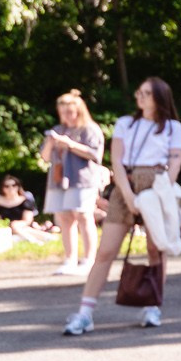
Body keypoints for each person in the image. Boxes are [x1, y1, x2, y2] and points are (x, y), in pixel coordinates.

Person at [63, 78, 181, 334]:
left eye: (147, 93)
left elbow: (175, 163)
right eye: (140, 92)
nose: (140, 96)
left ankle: (153, 305)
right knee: (105, 251)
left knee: (156, 249)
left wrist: (161, 192)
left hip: (157, 184)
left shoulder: (173, 127)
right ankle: (85, 313)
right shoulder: (125, 123)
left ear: (159, 97)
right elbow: (116, 160)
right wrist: (128, 196)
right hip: (126, 184)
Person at [43, 92, 107, 276]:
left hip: (82, 179)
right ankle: (70, 259)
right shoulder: (58, 129)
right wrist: (50, 143)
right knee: (64, 218)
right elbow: (45, 157)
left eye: (70, 112)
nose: (67, 116)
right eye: (63, 112)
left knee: (83, 216)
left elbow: (95, 154)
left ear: (79, 111)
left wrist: (70, 145)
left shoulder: (90, 129)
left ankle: (89, 260)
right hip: (58, 180)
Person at [0, 174, 53, 245]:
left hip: (23, 226)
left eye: (14, 185)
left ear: (18, 186)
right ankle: (42, 238)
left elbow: (28, 220)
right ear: (2, 188)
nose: (11, 188)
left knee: (16, 226)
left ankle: (35, 241)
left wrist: (15, 225)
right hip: (5, 228)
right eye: (7, 186)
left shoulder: (25, 200)